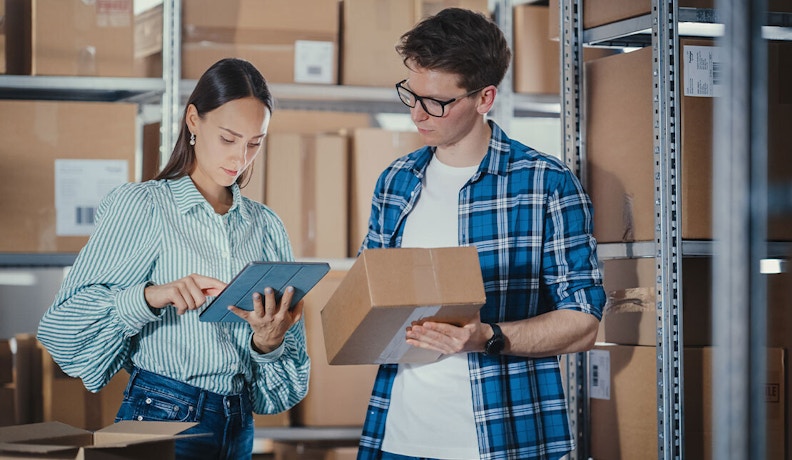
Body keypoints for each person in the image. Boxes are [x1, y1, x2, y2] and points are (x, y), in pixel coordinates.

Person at [356, 8, 606, 460]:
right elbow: (367, 297)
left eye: (436, 102)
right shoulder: (395, 182)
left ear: (484, 98)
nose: (417, 115)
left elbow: (583, 323)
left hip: (503, 439)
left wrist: (486, 336)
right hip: (397, 437)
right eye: (410, 96)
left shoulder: (545, 184)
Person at [37, 58, 309, 459]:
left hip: (238, 423)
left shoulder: (266, 226)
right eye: (229, 138)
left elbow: (284, 385)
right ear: (193, 121)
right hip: (162, 413)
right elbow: (62, 328)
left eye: (255, 143)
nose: (241, 158)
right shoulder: (144, 207)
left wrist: (268, 342)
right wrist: (149, 297)